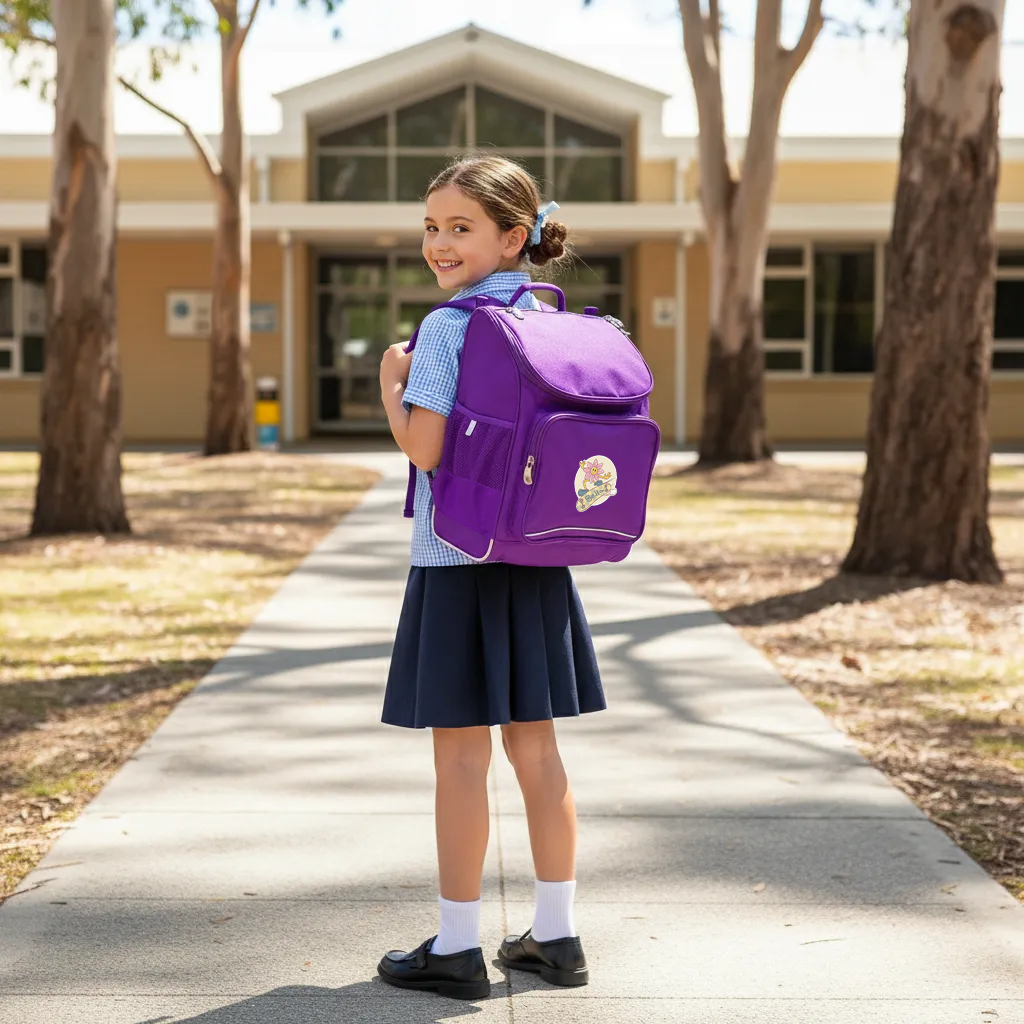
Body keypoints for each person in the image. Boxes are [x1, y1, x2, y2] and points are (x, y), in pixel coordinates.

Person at [375, 155, 605, 1001]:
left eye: (459, 226)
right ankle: (556, 936)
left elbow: (425, 449)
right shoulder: (547, 314)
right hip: (539, 560)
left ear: (514, 235)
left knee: (462, 759)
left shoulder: (447, 328)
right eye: (431, 226)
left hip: (458, 562)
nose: (439, 242)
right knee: (538, 751)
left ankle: (458, 946)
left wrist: (391, 389)